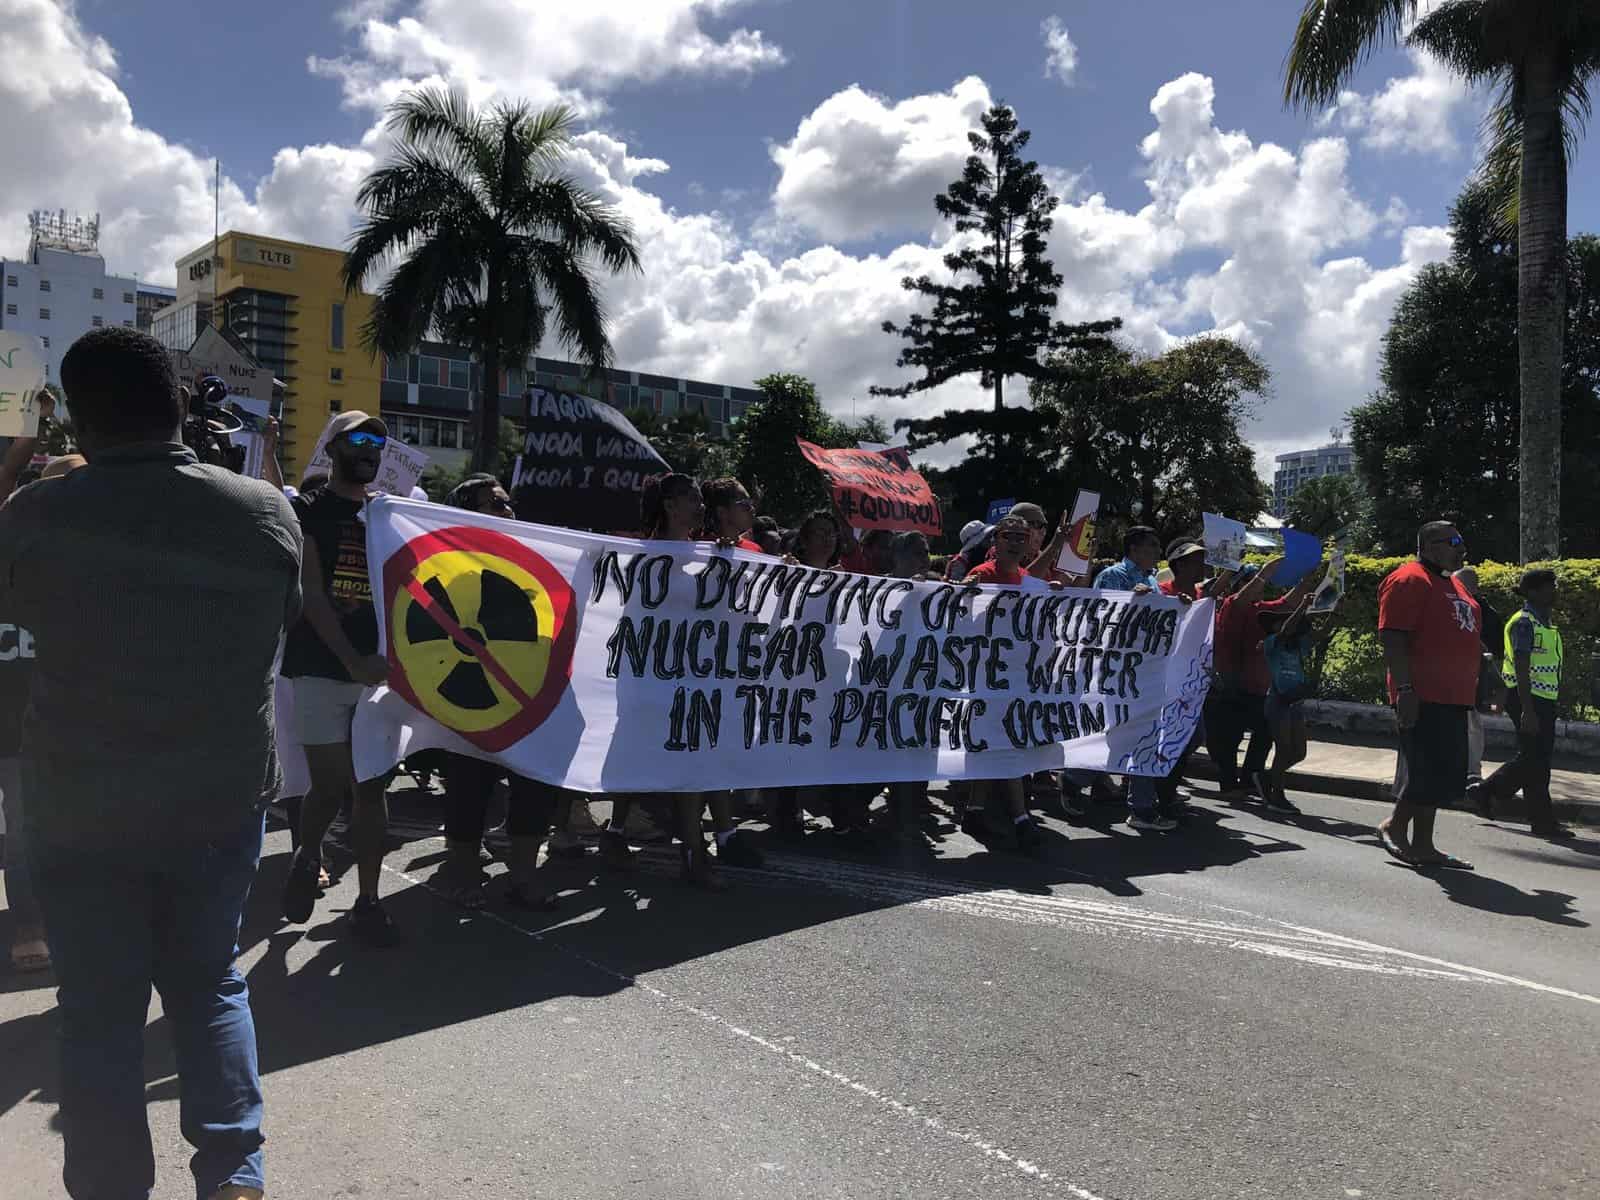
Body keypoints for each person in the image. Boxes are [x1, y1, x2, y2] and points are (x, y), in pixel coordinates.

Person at [0, 327, 302, 1200]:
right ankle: (234, 1179)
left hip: (80, 802)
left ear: (81, 423)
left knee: (98, 1014)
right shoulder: (266, 510)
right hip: (217, 796)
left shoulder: (38, 514)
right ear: (178, 403)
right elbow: (277, 624)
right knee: (210, 984)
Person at [279, 410, 404, 944]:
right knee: (329, 788)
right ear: (330, 450)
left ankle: (369, 901)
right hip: (321, 670)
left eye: (378, 439)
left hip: (377, 677)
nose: (370, 447)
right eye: (357, 437)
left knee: (371, 786)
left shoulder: (390, 517)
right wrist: (351, 660)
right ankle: (308, 855)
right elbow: (310, 598)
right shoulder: (305, 511)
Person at [1377, 521, 1480, 870]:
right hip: (1422, 694)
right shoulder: (1409, 579)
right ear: (1431, 545)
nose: (1461, 548)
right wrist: (1404, 689)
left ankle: (1422, 842)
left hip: (1454, 696)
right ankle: (1398, 830)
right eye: (1454, 541)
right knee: (1423, 771)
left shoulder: (1454, 584)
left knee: (1444, 773)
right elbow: (1393, 638)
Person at [1468, 569, 1574, 839]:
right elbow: (1521, 666)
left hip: (1540, 698)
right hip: (1529, 699)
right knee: (1535, 759)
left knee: (1535, 758)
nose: (1555, 591)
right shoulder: (1525, 623)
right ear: (1533, 592)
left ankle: (1491, 794)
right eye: (1549, 587)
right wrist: (1527, 709)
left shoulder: (1543, 622)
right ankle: (1531, 815)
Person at [963, 516, 1044, 851]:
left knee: (1004, 742)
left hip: (1015, 676)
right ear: (996, 540)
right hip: (984, 674)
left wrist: (1050, 595)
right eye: (1008, 535)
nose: (1015, 542)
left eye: (1021, 537)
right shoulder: (981, 574)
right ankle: (1017, 817)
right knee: (993, 744)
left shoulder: (1027, 580)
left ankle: (981, 811)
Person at [1257, 594, 1330, 815]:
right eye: (1284, 621)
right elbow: (1286, 630)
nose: (1291, 624)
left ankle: (1266, 778)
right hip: (1278, 702)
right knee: (1284, 748)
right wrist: (1302, 606)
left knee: (1299, 752)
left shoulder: (1298, 647)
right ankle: (1276, 796)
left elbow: (1320, 635)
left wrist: (1334, 613)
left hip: (1294, 703)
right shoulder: (1272, 644)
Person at [701, 477, 765, 552]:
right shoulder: (700, 548)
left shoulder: (755, 550)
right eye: (744, 503)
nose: (752, 508)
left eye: (750, 502)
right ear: (722, 512)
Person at [1092, 526, 1162, 593]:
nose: (1159, 551)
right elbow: (1098, 605)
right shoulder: (1110, 576)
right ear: (1134, 549)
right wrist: (1130, 597)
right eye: (1153, 545)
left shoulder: (1153, 580)